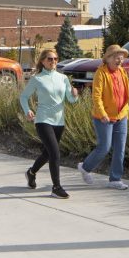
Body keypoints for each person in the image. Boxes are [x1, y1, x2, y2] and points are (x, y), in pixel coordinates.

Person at [19, 48, 78, 199]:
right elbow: (24, 97)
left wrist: (74, 95)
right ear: (43, 61)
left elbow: (70, 100)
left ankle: (31, 172)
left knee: (48, 153)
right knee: (55, 153)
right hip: (43, 119)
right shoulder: (37, 79)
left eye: (55, 59)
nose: (53, 62)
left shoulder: (63, 78)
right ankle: (56, 187)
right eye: (50, 59)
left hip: (59, 121)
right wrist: (27, 111)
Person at [78, 44, 129, 190]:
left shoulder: (122, 72)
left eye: (121, 57)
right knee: (104, 147)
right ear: (107, 59)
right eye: (116, 57)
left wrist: (125, 110)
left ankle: (115, 179)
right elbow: (96, 96)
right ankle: (85, 167)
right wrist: (102, 113)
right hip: (104, 117)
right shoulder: (100, 73)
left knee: (120, 149)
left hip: (121, 116)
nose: (119, 59)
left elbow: (126, 94)